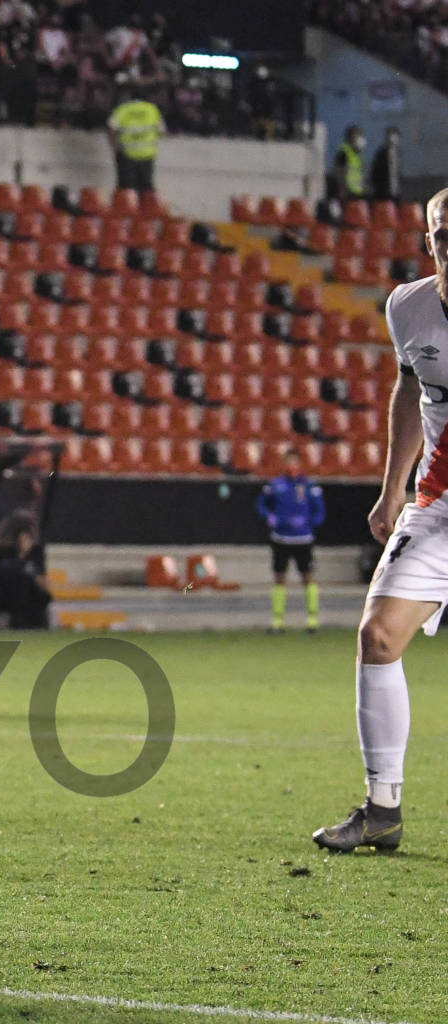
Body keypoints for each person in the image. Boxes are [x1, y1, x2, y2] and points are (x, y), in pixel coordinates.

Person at [312, 187, 448, 855]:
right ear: (429, 241)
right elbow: (409, 386)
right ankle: (382, 809)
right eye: (443, 233)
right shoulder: (408, 307)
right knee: (377, 636)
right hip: (438, 502)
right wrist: (391, 486)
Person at [259, 448, 326, 634]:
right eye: (288, 462)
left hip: (303, 538)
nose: (291, 465)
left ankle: (312, 619)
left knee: (308, 576)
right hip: (281, 537)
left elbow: (320, 511)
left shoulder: (310, 486)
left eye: (294, 462)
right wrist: (270, 518)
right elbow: (262, 504)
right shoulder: (275, 485)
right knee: (279, 577)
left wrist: (309, 524)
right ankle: (277, 620)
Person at [107, 85, 163, 193]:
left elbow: (111, 128)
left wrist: (116, 147)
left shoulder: (123, 109)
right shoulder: (152, 109)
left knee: (126, 189)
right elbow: (162, 131)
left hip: (127, 155)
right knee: (146, 190)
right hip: (147, 156)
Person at [330, 125, 368, 203]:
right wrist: (342, 191)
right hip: (347, 194)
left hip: (357, 193)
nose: (360, 139)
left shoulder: (357, 154)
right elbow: (339, 173)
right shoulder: (344, 153)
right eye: (357, 136)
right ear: (350, 138)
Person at [372, 126, 402, 203]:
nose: (392, 138)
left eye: (394, 135)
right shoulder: (381, 154)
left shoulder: (398, 153)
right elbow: (375, 172)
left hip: (396, 190)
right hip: (384, 191)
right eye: (390, 135)